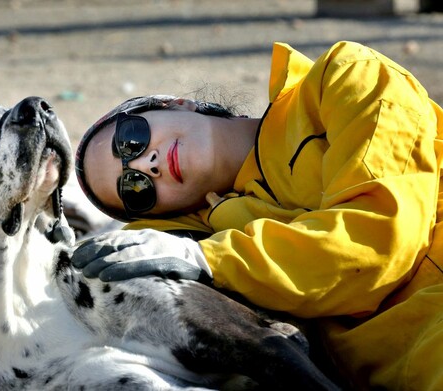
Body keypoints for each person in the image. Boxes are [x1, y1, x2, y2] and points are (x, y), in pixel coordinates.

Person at [72, 41, 443, 390]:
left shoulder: (346, 76)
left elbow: (379, 241)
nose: (146, 165)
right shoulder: (202, 253)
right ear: (159, 216)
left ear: (178, 105)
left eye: (131, 140)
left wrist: (210, 258)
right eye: (134, 189)